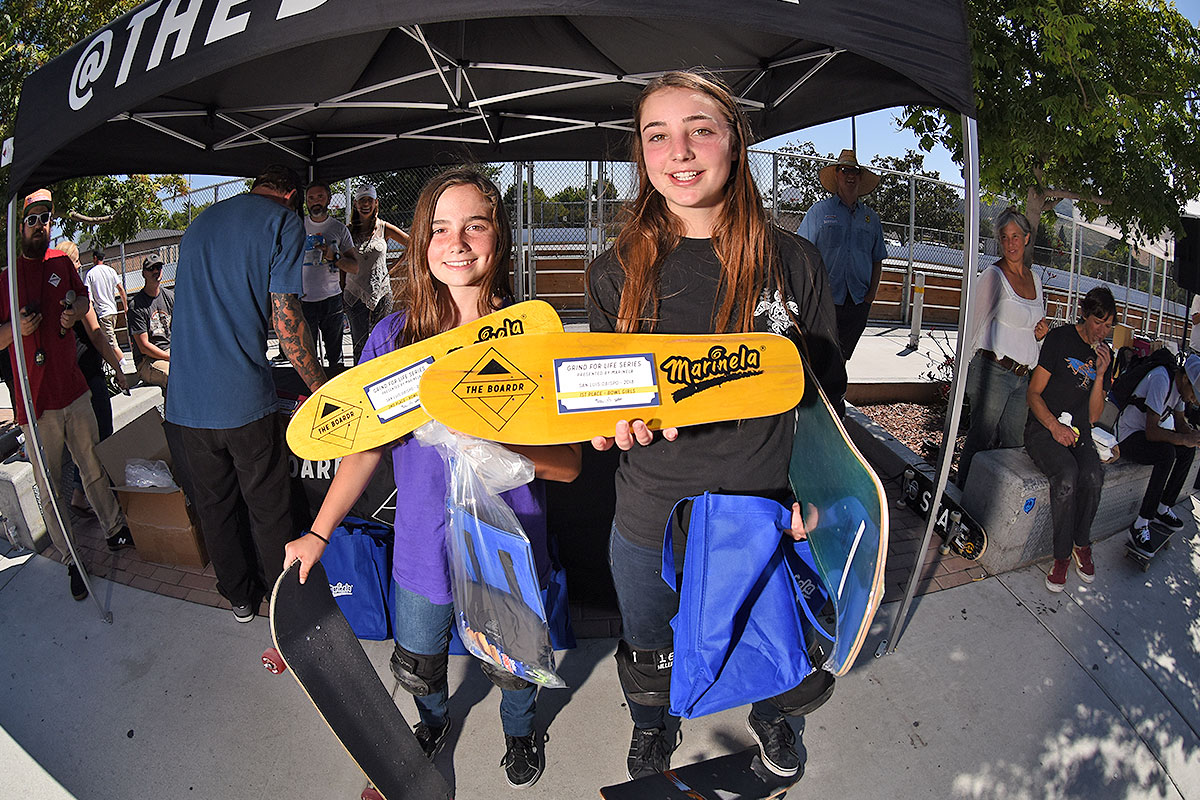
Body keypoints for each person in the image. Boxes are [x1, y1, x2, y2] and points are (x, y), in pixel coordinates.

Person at [585, 71, 846, 781]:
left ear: (735, 140)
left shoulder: (792, 262)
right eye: (657, 134)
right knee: (648, 647)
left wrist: (812, 503)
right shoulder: (613, 273)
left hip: (757, 512)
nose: (681, 150)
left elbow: (825, 402)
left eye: (700, 127)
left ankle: (775, 717)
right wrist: (611, 426)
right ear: (640, 154)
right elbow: (606, 401)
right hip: (648, 515)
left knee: (768, 635)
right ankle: (653, 724)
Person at [284, 167, 581, 789]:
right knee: (419, 661)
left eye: (475, 225)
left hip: (506, 546)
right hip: (421, 551)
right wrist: (318, 531)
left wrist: (489, 427)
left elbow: (569, 464)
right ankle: (432, 721)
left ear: (498, 237)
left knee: (515, 665)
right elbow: (363, 450)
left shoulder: (533, 335)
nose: (457, 241)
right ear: (421, 244)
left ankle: (521, 732)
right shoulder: (394, 339)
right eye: (440, 228)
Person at [166, 164, 326, 624]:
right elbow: (287, 317)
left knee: (215, 506)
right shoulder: (283, 222)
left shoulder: (199, 223)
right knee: (268, 503)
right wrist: (320, 387)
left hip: (184, 403)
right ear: (291, 194)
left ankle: (238, 596)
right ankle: (282, 601)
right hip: (241, 399)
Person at [0, 191, 134, 601]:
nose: (39, 225)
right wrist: (16, 331)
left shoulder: (61, 262)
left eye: (46, 218)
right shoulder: (4, 277)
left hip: (74, 391)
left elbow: (84, 304)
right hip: (35, 403)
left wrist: (75, 312)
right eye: (32, 219)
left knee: (92, 464)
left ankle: (114, 530)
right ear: (19, 224)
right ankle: (72, 557)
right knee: (52, 484)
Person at [1025, 286, 1115, 593]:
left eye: (1108, 326)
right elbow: (1033, 393)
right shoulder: (1060, 339)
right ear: (1085, 316)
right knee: (1066, 477)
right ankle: (1062, 556)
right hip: (1044, 427)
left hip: (1078, 431)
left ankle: (1081, 543)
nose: (1102, 331)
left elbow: (1092, 417)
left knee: (1093, 475)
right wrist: (1052, 426)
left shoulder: (1105, 354)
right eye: (1098, 323)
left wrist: (1101, 375)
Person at [957, 209, 1049, 487]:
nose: (1010, 243)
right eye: (1005, 237)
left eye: (1016, 236)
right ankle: (961, 498)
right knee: (980, 439)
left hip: (1023, 378)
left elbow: (1035, 328)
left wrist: (1041, 335)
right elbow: (971, 324)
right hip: (993, 372)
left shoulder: (1035, 280)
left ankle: (994, 501)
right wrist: (963, 372)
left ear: (1027, 238)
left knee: (1013, 446)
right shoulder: (993, 276)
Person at [56, 240, 129, 515]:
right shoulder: (77, 296)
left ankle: (78, 493)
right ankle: (110, 499)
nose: (79, 266)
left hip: (69, 382)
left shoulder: (55, 297)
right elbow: (97, 335)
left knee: (81, 444)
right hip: (88, 374)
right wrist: (118, 369)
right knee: (103, 436)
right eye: (76, 262)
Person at [796, 149, 887, 360]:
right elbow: (802, 253)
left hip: (857, 302)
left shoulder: (871, 219)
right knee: (817, 356)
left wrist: (869, 297)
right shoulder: (818, 212)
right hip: (823, 300)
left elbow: (877, 260)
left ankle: (836, 394)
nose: (850, 175)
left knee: (842, 358)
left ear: (860, 177)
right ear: (836, 175)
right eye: (844, 170)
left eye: (854, 171)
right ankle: (816, 393)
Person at [1115, 352, 1200, 554]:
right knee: (1166, 453)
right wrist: (1184, 439)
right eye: (1195, 392)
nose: (1194, 399)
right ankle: (1141, 523)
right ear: (1186, 378)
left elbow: (1180, 423)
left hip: (1144, 435)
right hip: (1127, 436)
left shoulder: (1180, 390)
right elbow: (1152, 432)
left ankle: (1163, 508)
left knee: (1186, 451)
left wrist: (1194, 437)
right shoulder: (1162, 379)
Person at [346, 183, 409, 364]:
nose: (366, 204)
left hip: (381, 290)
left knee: (384, 339)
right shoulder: (348, 231)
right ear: (356, 204)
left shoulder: (384, 228)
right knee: (359, 342)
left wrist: (396, 264)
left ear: (376, 203)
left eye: (369, 200)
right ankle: (359, 380)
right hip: (354, 292)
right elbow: (343, 260)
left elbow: (412, 244)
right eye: (361, 201)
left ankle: (383, 375)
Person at [301, 181, 358, 369]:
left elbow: (355, 267)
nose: (315, 202)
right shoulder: (296, 227)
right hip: (303, 299)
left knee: (336, 356)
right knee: (308, 356)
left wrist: (334, 257)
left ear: (329, 199)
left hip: (331, 298)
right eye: (311, 198)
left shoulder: (339, 228)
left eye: (320, 197)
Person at [127, 254, 173, 394]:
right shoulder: (136, 305)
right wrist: (171, 358)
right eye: (151, 268)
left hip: (170, 352)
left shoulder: (169, 296)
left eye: (158, 267)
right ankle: (174, 415)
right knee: (174, 376)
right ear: (143, 273)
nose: (155, 271)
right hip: (147, 361)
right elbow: (144, 346)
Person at [84, 247, 128, 360]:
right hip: (113, 311)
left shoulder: (90, 274)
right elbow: (121, 289)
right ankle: (116, 365)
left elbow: (89, 297)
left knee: (111, 343)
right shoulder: (111, 270)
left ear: (94, 258)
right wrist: (125, 307)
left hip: (103, 312)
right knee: (108, 341)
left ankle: (122, 364)